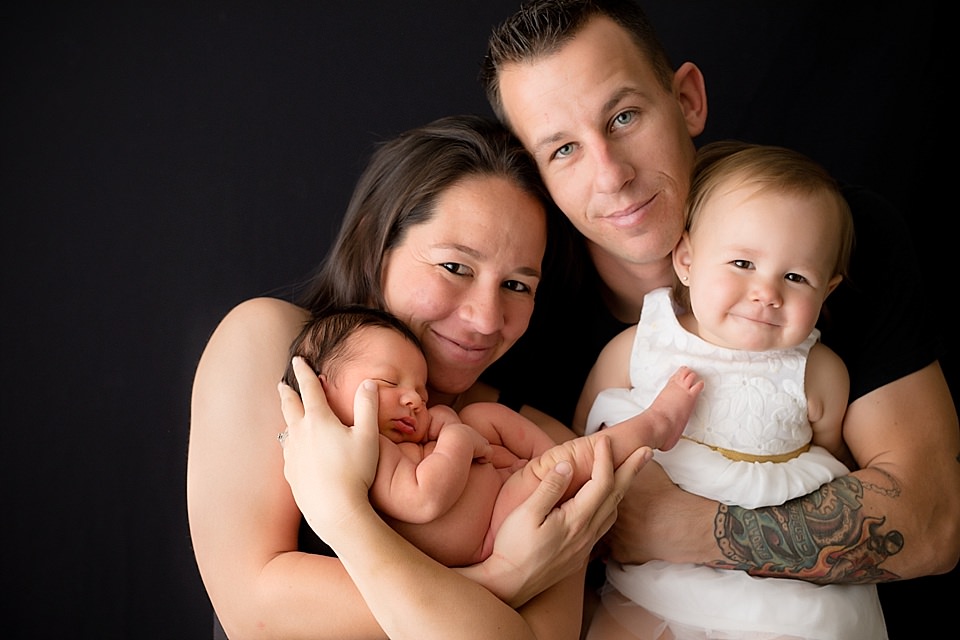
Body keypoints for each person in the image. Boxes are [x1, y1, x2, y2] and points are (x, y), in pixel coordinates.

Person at [477, 0, 960, 635]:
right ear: (536, 173)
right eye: (563, 148)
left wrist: (682, 527)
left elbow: (928, 526)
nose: (612, 175)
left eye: (623, 117)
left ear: (687, 100)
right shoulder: (517, 310)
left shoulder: (827, 234)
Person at [187, 114, 650, 640]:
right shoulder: (274, 347)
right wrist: (503, 578)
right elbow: (255, 608)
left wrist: (344, 518)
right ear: (377, 243)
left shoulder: (537, 444)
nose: (484, 317)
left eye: (518, 285)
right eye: (455, 267)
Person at [576, 140, 886, 638]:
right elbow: (582, 432)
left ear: (826, 290)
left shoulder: (818, 372)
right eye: (742, 264)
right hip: (650, 576)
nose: (767, 291)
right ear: (686, 260)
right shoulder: (643, 343)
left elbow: (832, 461)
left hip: (775, 582)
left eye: (795, 276)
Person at [282, 305, 701, 568]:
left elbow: (454, 435)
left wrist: (448, 424)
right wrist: (457, 440)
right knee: (536, 461)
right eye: (388, 382)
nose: (413, 399)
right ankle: (654, 425)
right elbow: (425, 499)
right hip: (495, 533)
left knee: (482, 414)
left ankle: (556, 464)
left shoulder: (408, 434)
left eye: (421, 389)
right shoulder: (365, 455)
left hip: (500, 487)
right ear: (321, 391)